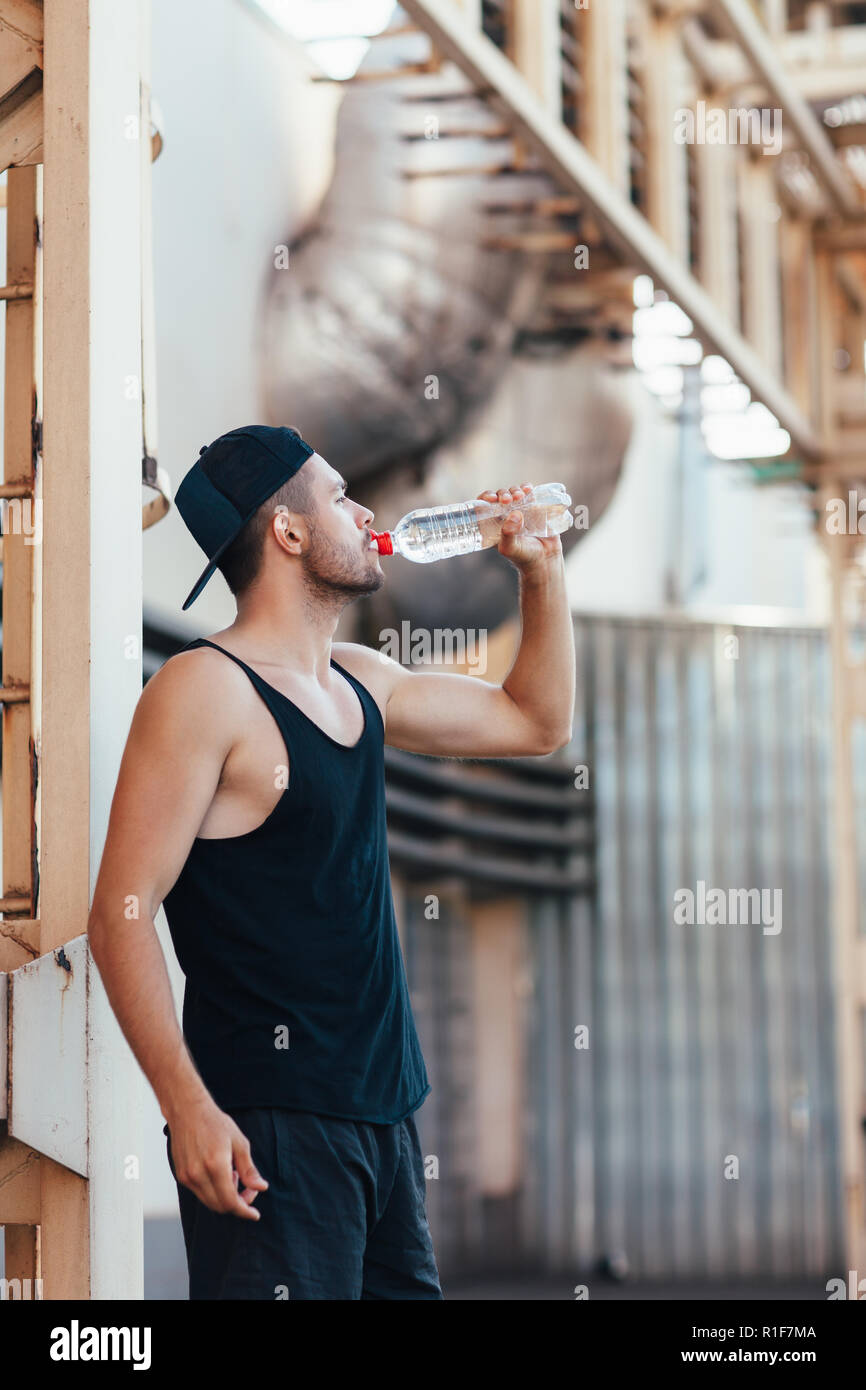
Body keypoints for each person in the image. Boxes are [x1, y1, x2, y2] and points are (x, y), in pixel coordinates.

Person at [87, 424, 575, 1300]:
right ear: (289, 533)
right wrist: (187, 1107)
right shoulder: (202, 692)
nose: (366, 513)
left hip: (383, 1118)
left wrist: (540, 571)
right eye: (341, 495)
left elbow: (534, 723)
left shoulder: (361, 679)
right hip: (268, 1129)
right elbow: (120, 913)